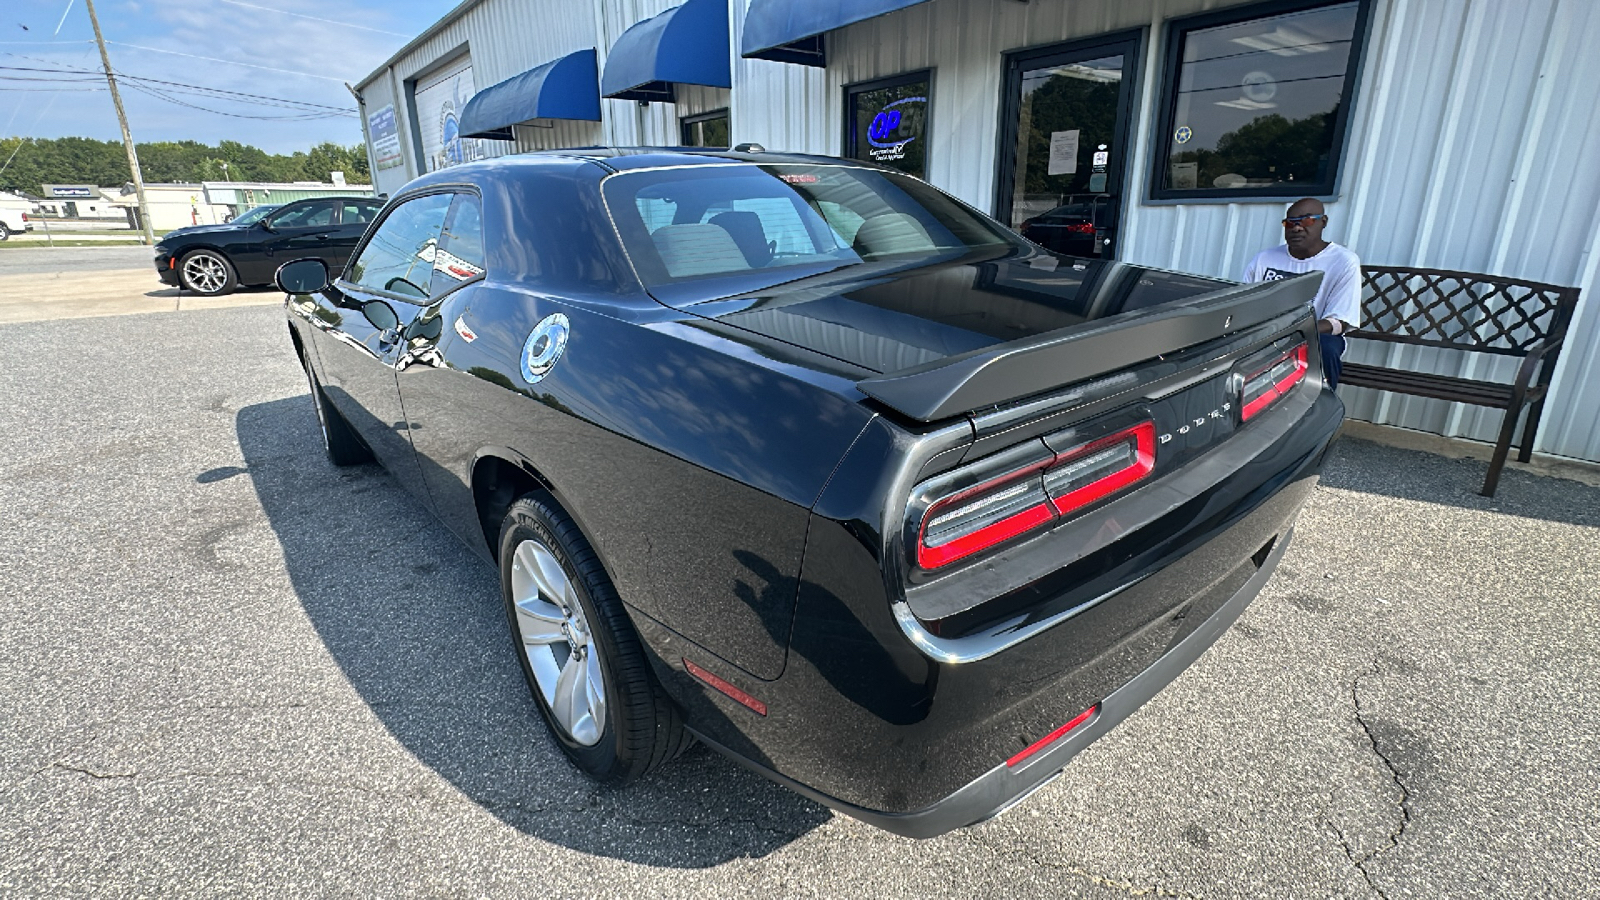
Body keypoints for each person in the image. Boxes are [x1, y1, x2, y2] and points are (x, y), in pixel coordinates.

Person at [1242, 198, 1361, 388]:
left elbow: (1341, 322)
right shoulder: (1265, 258)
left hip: (1313, 335)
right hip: (1266, 333)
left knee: (1327, 348)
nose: (1296, 228)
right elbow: (1245, 303)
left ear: (1324, 222)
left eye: (1307, 220)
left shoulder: (1344, 262)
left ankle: (1320, 404)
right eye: (1290, 223)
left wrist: (1290, 328)